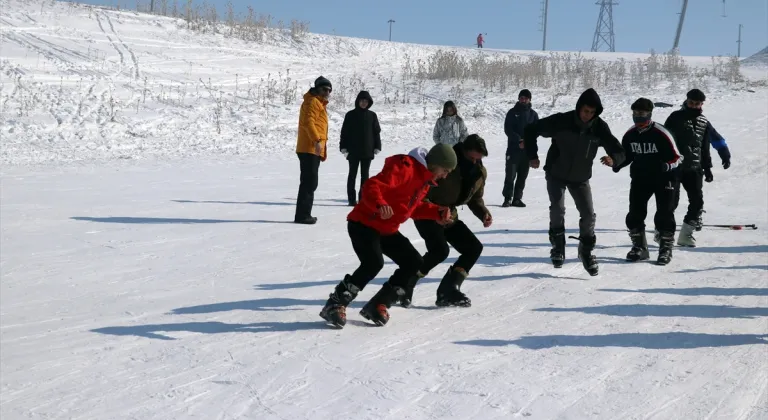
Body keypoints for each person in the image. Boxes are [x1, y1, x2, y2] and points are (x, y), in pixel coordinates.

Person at [319, 144, 458, 328]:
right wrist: (380, 204)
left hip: (386, 228)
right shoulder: (406, 168)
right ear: (435, 163)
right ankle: (335, 304)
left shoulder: (424, 179)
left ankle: (379, 303)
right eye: (445, 170)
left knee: (413, 261)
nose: (445, 175)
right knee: (373, 263)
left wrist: (437, 212)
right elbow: (371, 186)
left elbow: (411, 208)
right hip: (364, 223)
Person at [523, 88, 626, 276]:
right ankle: (558, 246)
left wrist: (614, 159)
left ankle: (585, 251)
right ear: (579, 108)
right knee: (557, 208)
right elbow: (531, 129)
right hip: (556, 173)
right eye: (585, 111)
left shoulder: (599, 127)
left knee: (588, 214)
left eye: (592, 112)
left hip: (580, 178)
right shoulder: (562, 121)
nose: (588, 115)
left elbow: (618, 149)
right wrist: (532, 155)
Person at [395, 134, 492, 309]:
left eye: (479, 159)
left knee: (473, 248)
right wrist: (433, 211)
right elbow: (420, 191)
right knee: (439, 250)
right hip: (426, 211)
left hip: (448, 214)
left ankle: (449, 289)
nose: (475, 161)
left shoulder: (478, 172)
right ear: (463, 151)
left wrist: (483, 212)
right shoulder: (446, 164)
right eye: (471, 157)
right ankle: (404, 286)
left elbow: (475, 198)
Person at [612, 98, 683, 266]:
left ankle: (665, 248)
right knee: (634, 213)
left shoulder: (661, 133)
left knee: (664, 213)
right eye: (635, 114)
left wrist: (666, 166)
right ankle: (639, 248)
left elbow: (678, 157)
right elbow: (626, 156)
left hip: (665, 178)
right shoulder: (630, 135)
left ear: (650, 114)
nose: (638, 117)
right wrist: (615, 163)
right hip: (640, 178)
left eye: (642, 114)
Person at [663, 89, 730, 247]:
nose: (693, 106)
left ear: (702, 104)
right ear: (686, 101)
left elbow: (713, 140)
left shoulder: (703, 121)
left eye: (697, 103)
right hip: (675, 168)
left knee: (697, 202)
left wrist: (723, 154)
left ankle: (686, 235)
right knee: (670, 202)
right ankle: (663, 232)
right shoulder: (675, 117)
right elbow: (663, 140)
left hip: (695, 168)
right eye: (691, 103)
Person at [294, 76, 331, 224]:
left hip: (311, 148)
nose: (327, 91)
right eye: (324, 88)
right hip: (309, 147)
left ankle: (304, 214)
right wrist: (316, 141)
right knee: (309, 182)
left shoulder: (318, 103)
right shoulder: (313, 102)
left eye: (329, 89)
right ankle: (303, 216)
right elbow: (309, 123)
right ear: (317, 88)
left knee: (309, 182)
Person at [340, 90, 382, 206]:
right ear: (357, 101)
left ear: (369, 103)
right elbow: (344, 133)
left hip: (367, 151)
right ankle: (352, 199)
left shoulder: (372, 115)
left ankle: (363, 199)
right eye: (362, 101)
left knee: (365, 176)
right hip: (353, 151)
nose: (364, 103)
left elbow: (376, 132)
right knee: (352, 175)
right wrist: (343, 147)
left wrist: (377, 146)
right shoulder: (350, 115)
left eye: (366, 101)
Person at [502, 89, 539, 207]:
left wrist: (527, 142)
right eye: (521, 98)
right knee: (510, 175)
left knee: (522, 176)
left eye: (525, 98)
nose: (523, 100)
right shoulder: (512, 113)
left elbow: (536, 131)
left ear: (529, 100)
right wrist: (519, 140)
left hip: (526, 152)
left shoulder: (533, 115)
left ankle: (517, 198)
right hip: (513, 150)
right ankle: (507, 198)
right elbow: (508, 129)